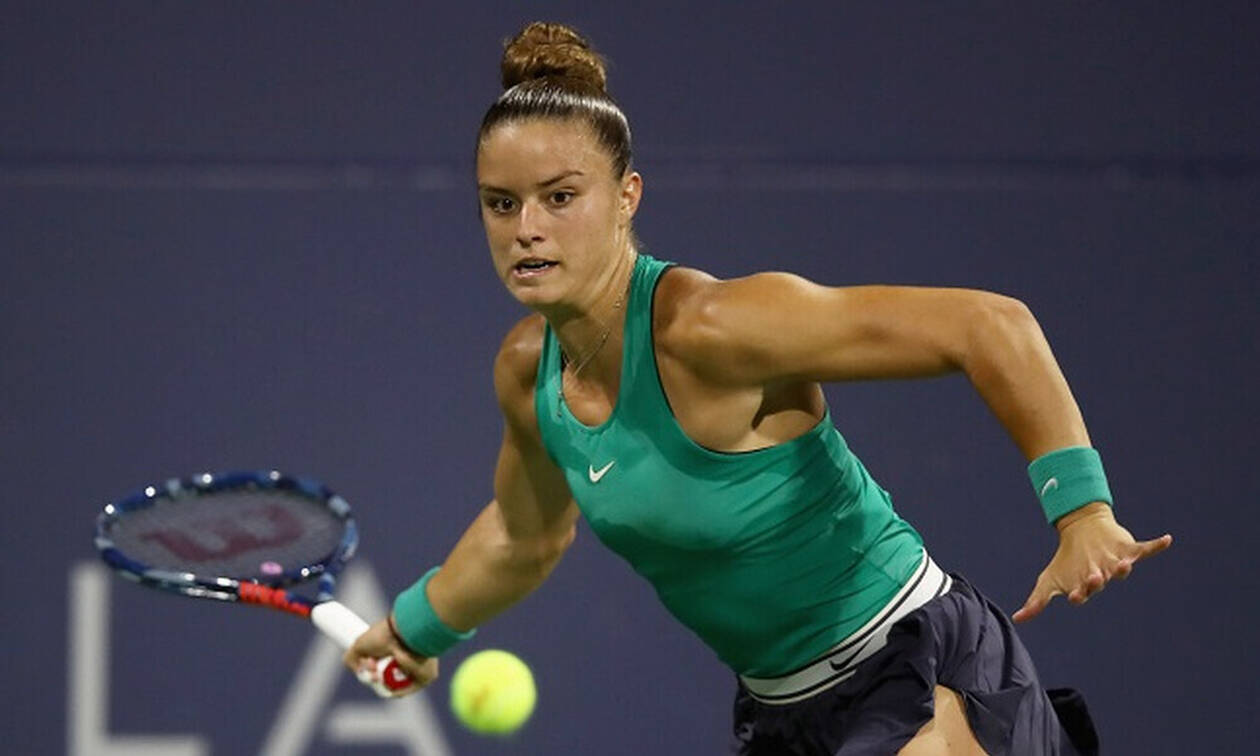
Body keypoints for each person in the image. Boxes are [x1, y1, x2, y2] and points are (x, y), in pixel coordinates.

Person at [345, 21, 1172, 755]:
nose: (527, 228)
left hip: (916, 665)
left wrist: (1082, 512)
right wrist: (414, 630)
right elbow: (524, 536)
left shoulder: (712, 328)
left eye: (560, 197)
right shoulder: (529, 372)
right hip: (784, 716)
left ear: (627, 197)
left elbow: (990, 325)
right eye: (501, 204)